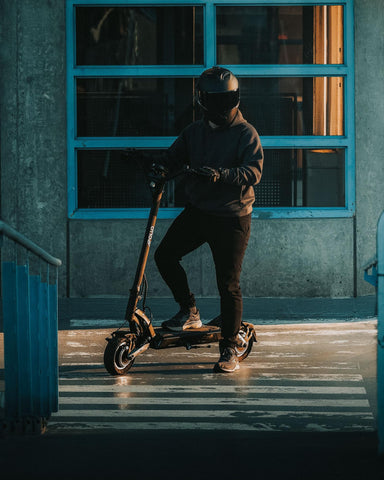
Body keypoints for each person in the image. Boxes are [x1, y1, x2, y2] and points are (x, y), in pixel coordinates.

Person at [153, 66, 263, 373]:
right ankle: (189, 310)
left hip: (232, 216)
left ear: (235, 99)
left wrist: (222, 174)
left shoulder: (245, 133)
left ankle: (228, 346)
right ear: (203, 100)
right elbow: (172, 158)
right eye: (215, 100)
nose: (220, 107)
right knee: (165, 255)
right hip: (200, 211)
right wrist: (156, 167)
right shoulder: (194, 132)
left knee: (228, 284)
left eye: (225, 100)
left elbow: (254, 172)